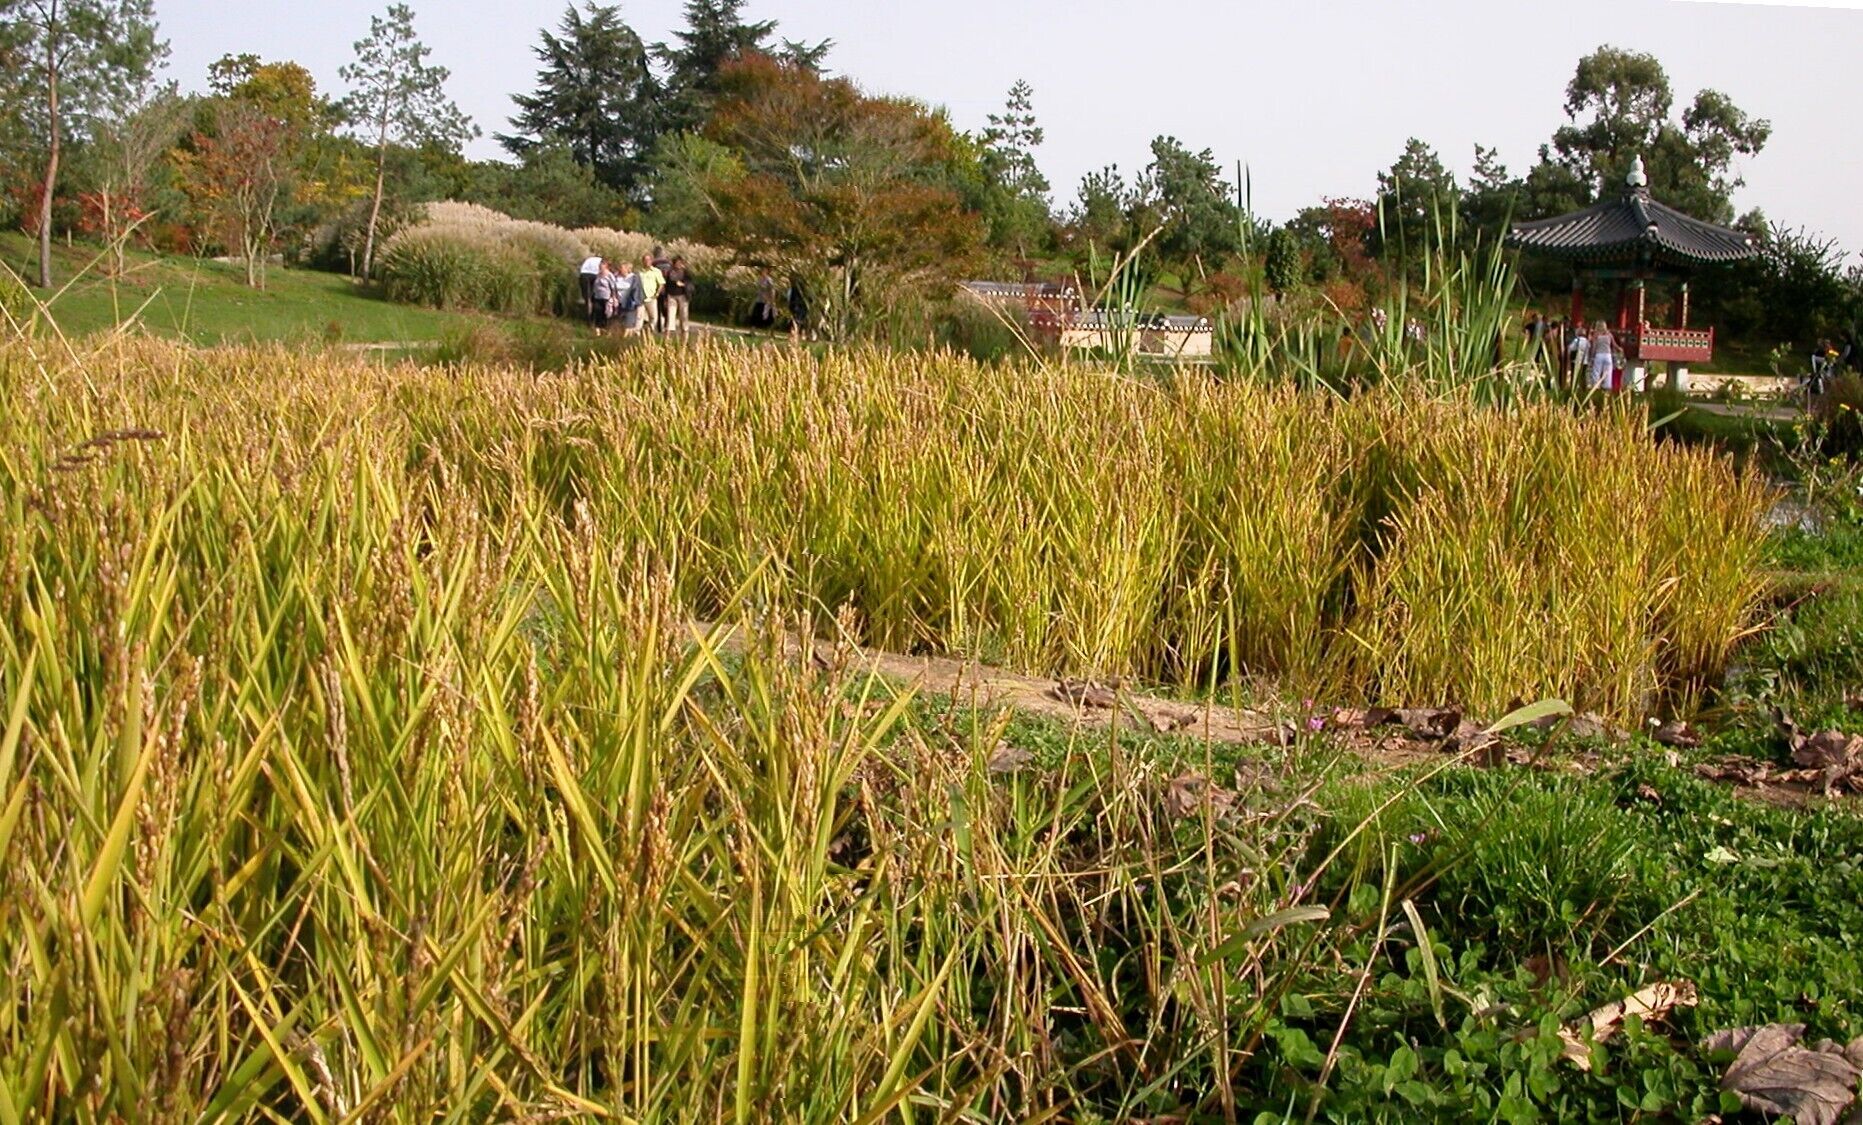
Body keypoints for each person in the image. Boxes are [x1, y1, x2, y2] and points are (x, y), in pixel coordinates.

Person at [662, 255, 692, 338]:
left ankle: (685, 335)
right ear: (673, 263)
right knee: (670, 316)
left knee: (684, 316)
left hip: (683, 296)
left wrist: (684, 284)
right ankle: (667, 337)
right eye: (677, 263)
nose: (678, 264)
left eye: (680, 263)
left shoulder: (686, 272)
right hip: (671, 296)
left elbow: (691, 283)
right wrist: (665, 298)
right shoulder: (669, 272)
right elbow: (666, 285)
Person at [636, 254, 664, 334]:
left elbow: (661, 283)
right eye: (645, 260)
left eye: (648, 260)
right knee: (639, 317)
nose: (647, 262)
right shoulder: (639, 272)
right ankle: (637, 334)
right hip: (640, 298)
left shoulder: (656, 271)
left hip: (651, 298)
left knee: (653, 317)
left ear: (651, 261)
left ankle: (648, 330)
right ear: (642, 261)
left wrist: (657, 293)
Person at [614, 260, 643, 336]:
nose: (620, 269)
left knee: (629, 325)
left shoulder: (634, 278)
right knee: (622, 324)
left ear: (627, 269)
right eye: (620, 268)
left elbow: (638, 291)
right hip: (619, 304)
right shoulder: (616, 277)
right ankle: (624, 339)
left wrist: (639, 304)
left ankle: (626, 340)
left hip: (630, 304)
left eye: (622, 268)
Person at [589, 260, 615, 337]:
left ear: (606, 266)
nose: (600, 267)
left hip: (606, 298)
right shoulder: (598, 275)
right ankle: (598, 332)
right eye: (600, 266)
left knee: (606, 314)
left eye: (602, 265)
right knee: (598, 313)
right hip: (597, 297)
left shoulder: (610, 275)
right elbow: (594, 286)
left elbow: (613, 287)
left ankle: (606, 331)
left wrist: (613, 297)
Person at [1589, 320, 1616, 391]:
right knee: (1608, 372)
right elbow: (1614, 345)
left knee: (1596, 372)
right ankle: (1607, 387)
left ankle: (1596, 387)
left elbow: (1594, 346)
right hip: (1608, 355)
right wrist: (1620, 349)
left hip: (1599, 354)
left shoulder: (1596, 335)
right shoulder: (1609, 334)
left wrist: (1592, 356)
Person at [578, 252, 603, 317]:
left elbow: (582, 268)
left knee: (586, 295)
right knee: (594, 294)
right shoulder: (601, 260)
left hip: (584, 274)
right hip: (595, 274)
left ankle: (587, 304)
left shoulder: (589, 259)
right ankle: (593, 312)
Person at [786, 275, 810, 341]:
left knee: (797, 321)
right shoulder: (802, 288)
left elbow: (791, 298)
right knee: (799, 321)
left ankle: (797, 334)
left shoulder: (795, 288)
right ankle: (798, 335)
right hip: (799, 306)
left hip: (797, 306)